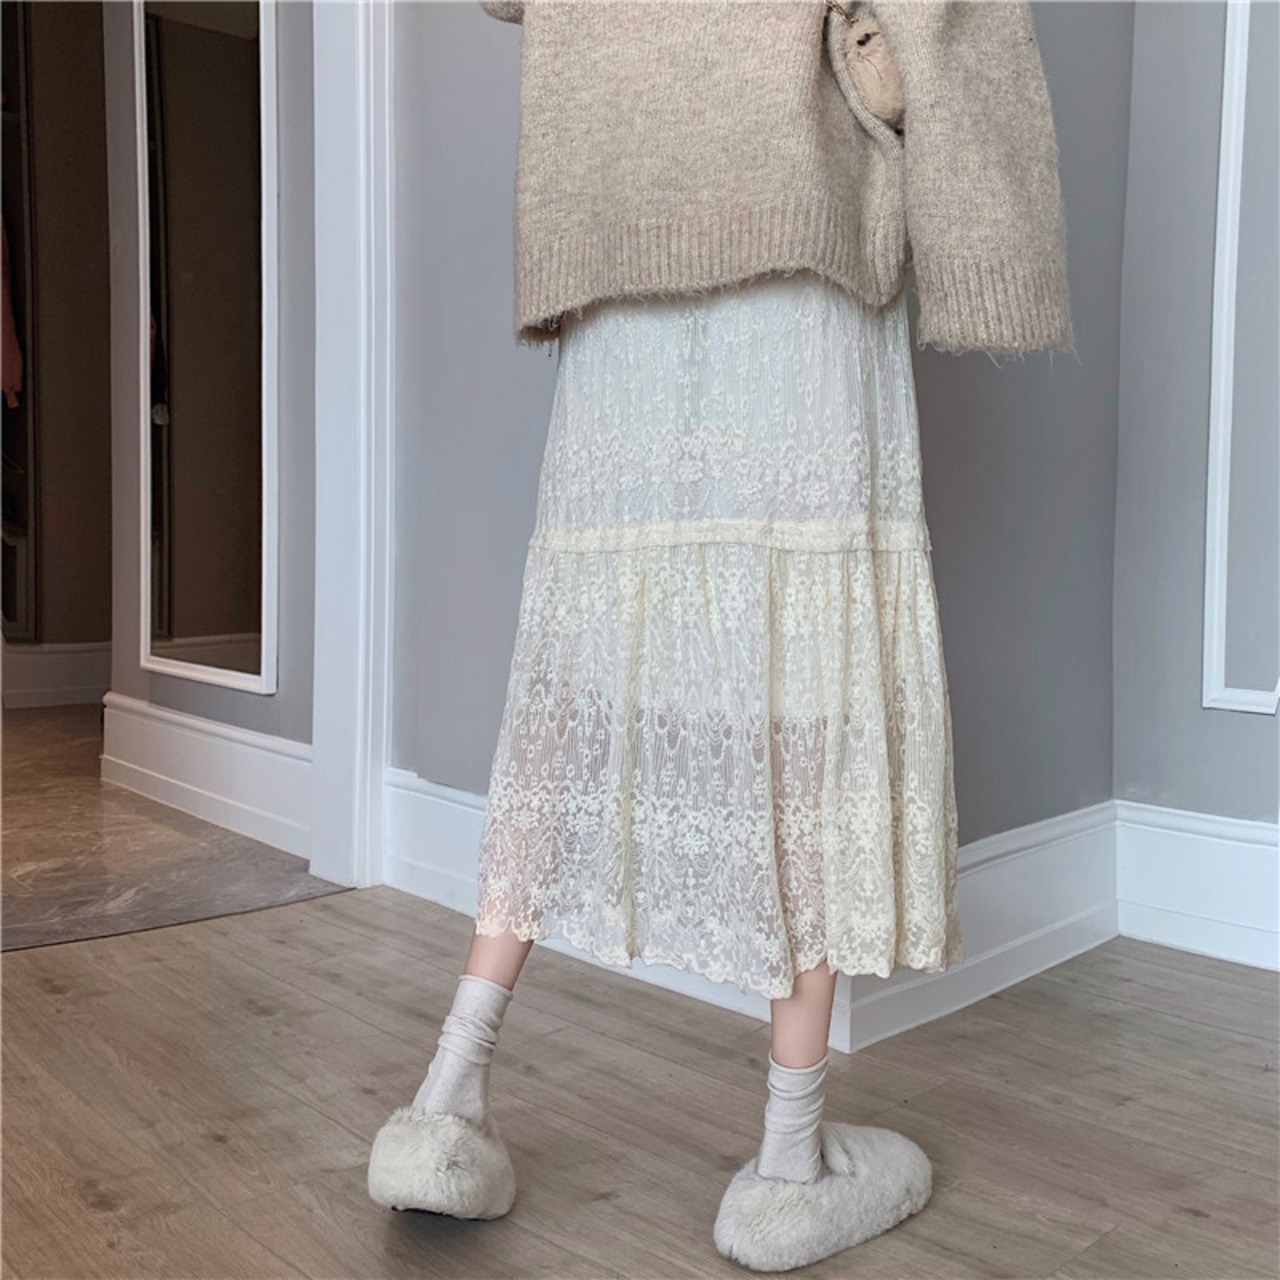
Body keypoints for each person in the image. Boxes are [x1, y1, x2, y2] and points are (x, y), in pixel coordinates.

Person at [368, 0, 1073, 1270]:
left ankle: (444, 1096)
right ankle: (787, 1162)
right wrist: (859, 65)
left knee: (581, 663)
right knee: (801, 678)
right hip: (793, 230)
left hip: (614, 237)